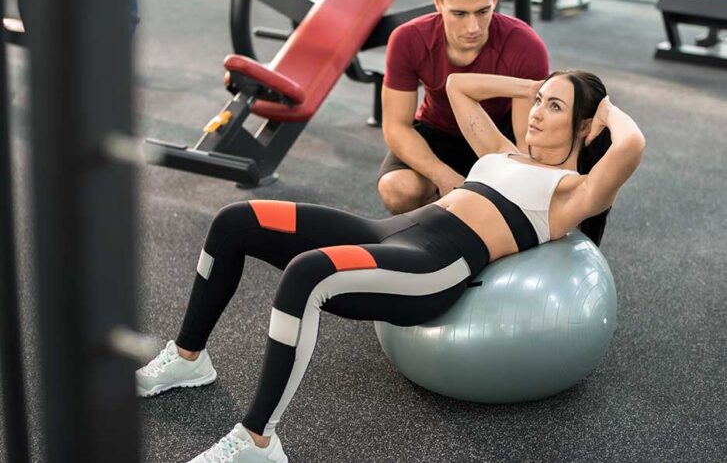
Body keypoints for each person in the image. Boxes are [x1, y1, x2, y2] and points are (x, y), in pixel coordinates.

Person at [136, 71, 644, 463]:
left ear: (582, 124)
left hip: (433, 265)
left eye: (553, 106)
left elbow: (632, 145)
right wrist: (536, 84)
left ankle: (256, 440)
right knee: (235, 221)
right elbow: (457, 86)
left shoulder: (572, 192)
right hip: (385, 231)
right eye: (537, 102)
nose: (535, 111)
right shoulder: (503, 154)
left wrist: (604, 110)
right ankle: (188, 358)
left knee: (307, 273)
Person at [378, 0, 549, 214]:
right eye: (459, 14)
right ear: (438, 4)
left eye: (482, 12)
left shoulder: (525, 45)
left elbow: (526, 142)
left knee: (517, 199)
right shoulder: (408, 39)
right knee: (397, 190)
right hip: (438, 131)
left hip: (496, 135)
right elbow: (396, 126)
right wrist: (444, 176)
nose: (473, 28)